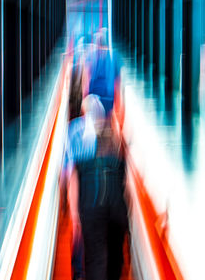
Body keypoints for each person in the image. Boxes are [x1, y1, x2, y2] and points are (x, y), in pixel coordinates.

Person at [64, 94, 128, 280]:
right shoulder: (112, 134)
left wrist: (74, 215)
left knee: (95, 257)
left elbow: (70, 174)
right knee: (115, 256)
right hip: (116, 205)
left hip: (91, 202)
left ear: (83, 112)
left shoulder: (73, 130)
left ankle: (79, 273)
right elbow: (124, 178)